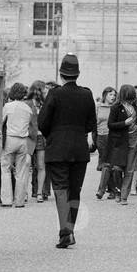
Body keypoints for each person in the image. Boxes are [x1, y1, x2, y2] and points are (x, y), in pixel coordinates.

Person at [37, 54, 97, 248]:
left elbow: (42, 122)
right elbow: (91, 123)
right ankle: (69, 229)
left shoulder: (54, 94)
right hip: (79, 148)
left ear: (61, 73)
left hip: (58, 148)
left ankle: (66, 232)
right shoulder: (87, 94)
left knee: (61, 189)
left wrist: (53, 135)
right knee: (75, 191)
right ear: (78, 74)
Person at [0, 82, 33, 207]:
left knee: (6, 169)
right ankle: (20, 201)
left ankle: (6, 200)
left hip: (10, 139)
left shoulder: (8, 107)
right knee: (21, 171)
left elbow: (1, 122)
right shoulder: (28, 108)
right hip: (23, 140)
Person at [114, 84, 137, 205]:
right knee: (117, 168)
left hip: (134, 139)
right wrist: (124, 123)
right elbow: (111, 124)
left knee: (129, 169)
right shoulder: (116, 107)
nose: (130, 101)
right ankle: (118, 190)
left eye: (132, 98)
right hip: (120, 141)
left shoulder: (136, 108)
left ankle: (124, 196)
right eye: (128, 98)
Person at [25, 80, 49, 202]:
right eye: (44, 89)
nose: (45, 91)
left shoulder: (45, 104)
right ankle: (24, 192)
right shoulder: (27, 103)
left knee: (41, 165)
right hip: (29, 137)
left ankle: (39, 192)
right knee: (26, 164)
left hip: (41, 137)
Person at [95, 87, 118, 199]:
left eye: (114, 95)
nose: (113, 97)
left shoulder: (115, 107)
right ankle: (112, 190)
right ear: (105, 95)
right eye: (110, 94)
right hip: (100, 136)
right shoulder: (98, 106)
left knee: (107, 163)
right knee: (106, 163)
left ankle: (102, 190)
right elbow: (94, 122)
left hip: (111, 136)